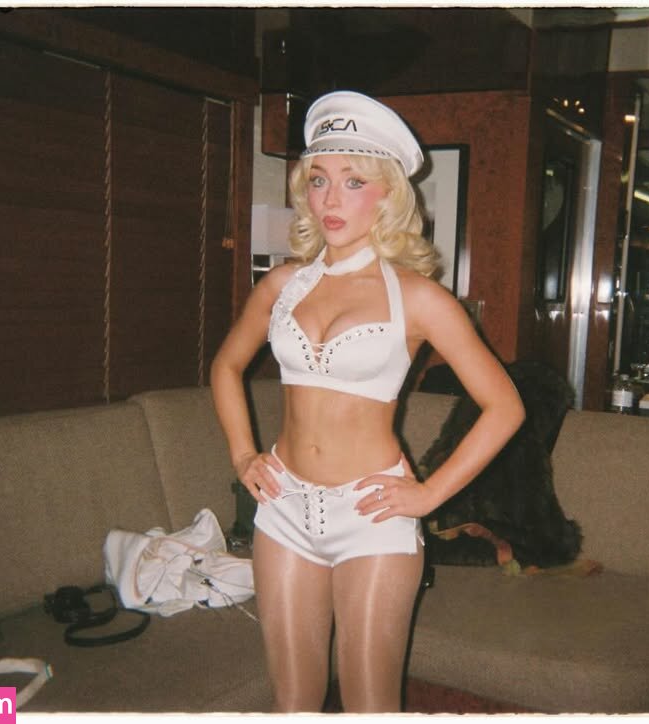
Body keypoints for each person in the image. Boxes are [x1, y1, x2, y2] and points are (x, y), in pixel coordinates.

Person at [209, 90, 525, 713]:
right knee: (291, 705)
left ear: (388, 194)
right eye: (319, 180)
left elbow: (506, 407)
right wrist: (243, 455)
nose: (331, 198)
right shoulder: (281, 285)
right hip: (284, 508)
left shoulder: (421, 298)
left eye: (354, 181)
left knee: (370, 707)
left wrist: (430, 495)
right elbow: (226, 365)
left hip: (371, 517)